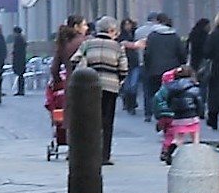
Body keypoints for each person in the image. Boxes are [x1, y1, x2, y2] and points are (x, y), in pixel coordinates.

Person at [71, 17, 127, 166]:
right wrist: (118, 80)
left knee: (90, 120)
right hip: (110, 87)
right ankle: (104, 155)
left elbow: (74, 60)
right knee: (107, 122)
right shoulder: (117, 47)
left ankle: (89, 152)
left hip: (90, 87)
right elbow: (123, 69)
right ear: (111, 31)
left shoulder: (87, 44)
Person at [134, 12, 184, 120]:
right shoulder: (174, 36)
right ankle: (169, 112)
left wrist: (147, 65)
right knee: (170, 92)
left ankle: (149, 113)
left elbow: (147, 53)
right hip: (171, 69)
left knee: (151, 91)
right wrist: (180, 64)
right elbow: (181, 52)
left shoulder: (153, 36)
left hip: (154, 69)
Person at [118, 17, 140, 114]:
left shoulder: (135, 33)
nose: (128, 26)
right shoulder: (121, 36)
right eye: (125, 24)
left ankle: (132, 104)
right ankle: (128, 104)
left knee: (133, 85)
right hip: (125, 63)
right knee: (127, 86)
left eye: (129, 24)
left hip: (134, 62)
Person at [10, 26, 28, 96]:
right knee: (21, 75)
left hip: (19, 60)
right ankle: (20, 90)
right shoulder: (21, 39)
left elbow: (17, 50)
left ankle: (20, 90)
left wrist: (14, 53)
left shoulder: (18, 39)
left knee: (20, 75)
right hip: (21, 59)